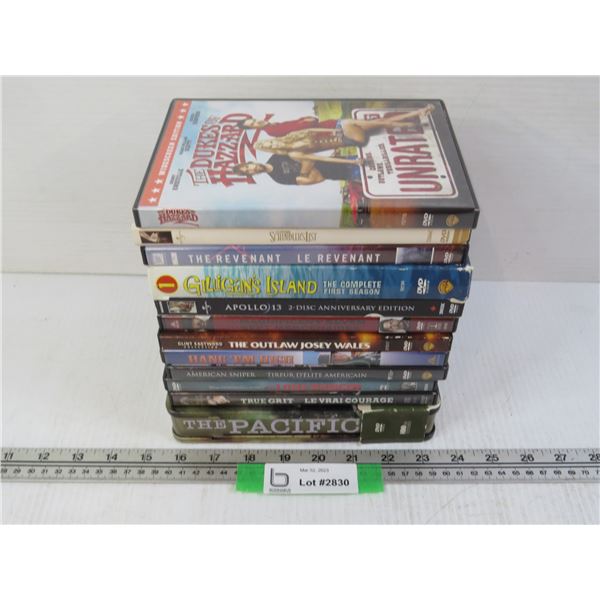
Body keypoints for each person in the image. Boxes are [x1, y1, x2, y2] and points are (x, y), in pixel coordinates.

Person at [232, 153, 361, 186]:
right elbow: (316, 179)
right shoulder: (279, 179)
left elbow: (307, 156)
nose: (252, 169)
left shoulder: (277, 156)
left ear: (251, 162)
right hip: (347, 174)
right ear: (252, 175)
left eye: (248, 167)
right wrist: (307, 163)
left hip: (345, 159)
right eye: (248, 172)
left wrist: (305, 170)